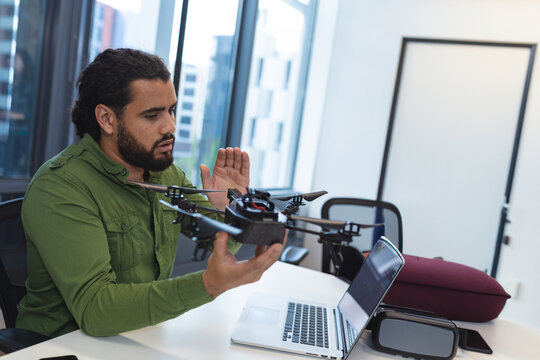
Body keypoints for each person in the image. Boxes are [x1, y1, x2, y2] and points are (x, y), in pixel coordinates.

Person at [16, 48, 285, 338]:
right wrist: (208, 284)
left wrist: (230, 210)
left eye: (171, 110)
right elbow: (95, 310)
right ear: (106, 119)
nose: (170, 127)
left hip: (140, 336)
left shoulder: (164, 172)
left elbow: (218, 246)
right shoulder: (60, 186)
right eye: (152, 115)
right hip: (60, 347)